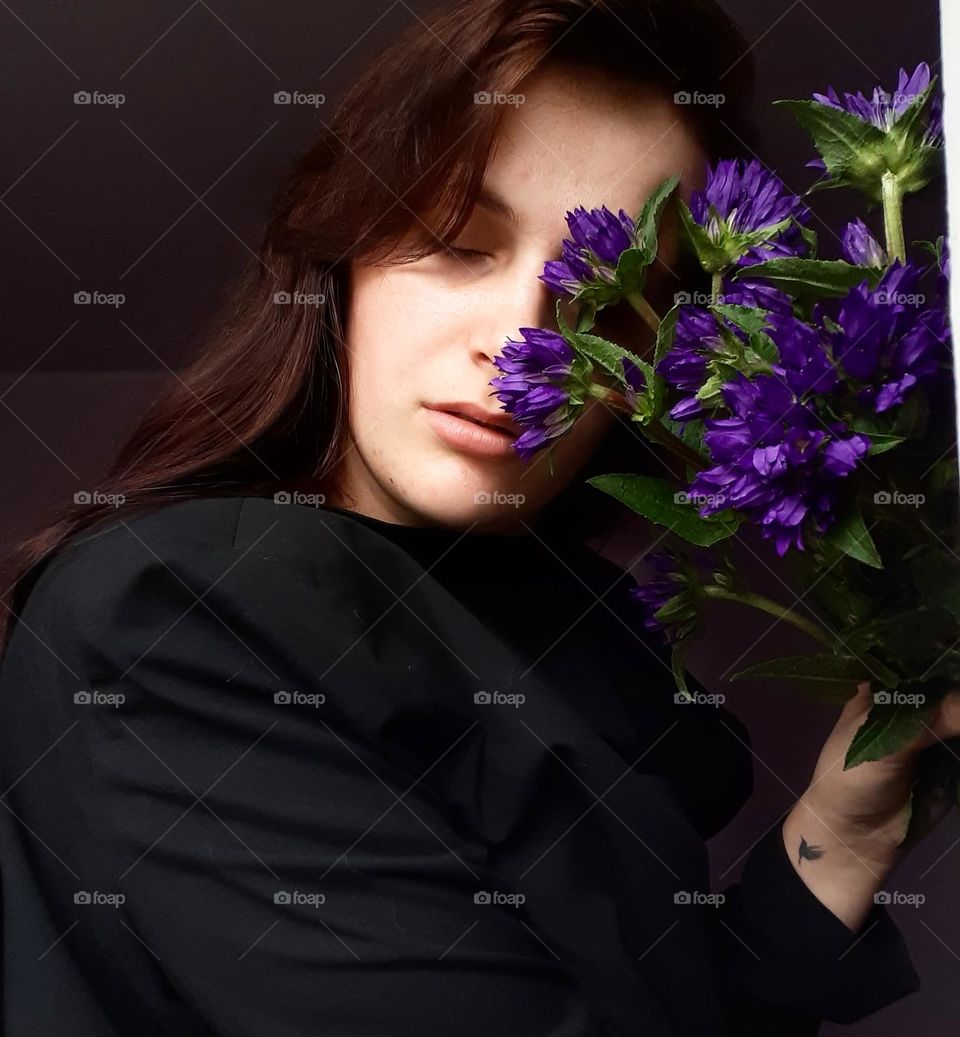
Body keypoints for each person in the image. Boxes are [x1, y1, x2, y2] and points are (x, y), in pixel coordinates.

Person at [0, 0, 951, 1033]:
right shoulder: (177, 603)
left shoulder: (593, 626)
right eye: (458, 241)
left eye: (610, 294)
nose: (520, 341)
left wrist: (841, 832)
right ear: (341, 257)